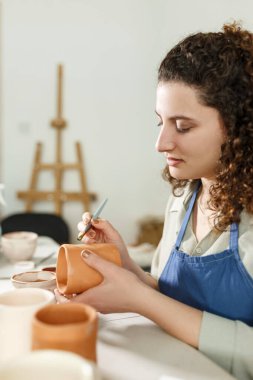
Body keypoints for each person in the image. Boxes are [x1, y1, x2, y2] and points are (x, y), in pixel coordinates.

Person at [55, 21, 253, 380]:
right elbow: (175, 299)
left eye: (183, 126)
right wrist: (128, 269)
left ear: (239, 127)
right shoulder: (188, 194)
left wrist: (138, 298)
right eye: (160, 122)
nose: (161, 143)